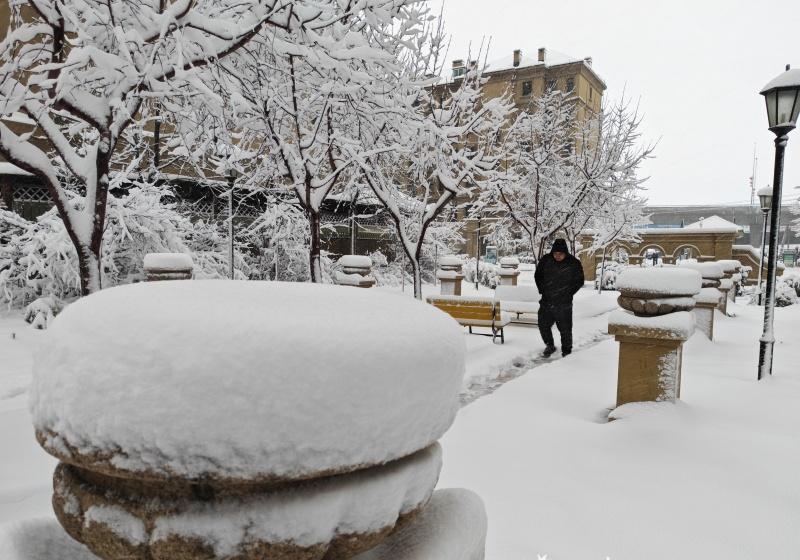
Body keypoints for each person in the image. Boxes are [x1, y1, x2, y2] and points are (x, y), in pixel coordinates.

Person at [534, 238, 585, 358]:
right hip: (547, 301)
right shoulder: (546, 260)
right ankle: (549, 345)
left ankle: (567, 352)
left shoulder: (573, 263)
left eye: (560, 254)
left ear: (565, 253)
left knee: (565, 329)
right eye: (555, 253)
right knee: (543, 325)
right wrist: (543, 290)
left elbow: (579, 281)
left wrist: (568, 293)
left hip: (564, 303)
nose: (557, 256)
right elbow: (538, 275)